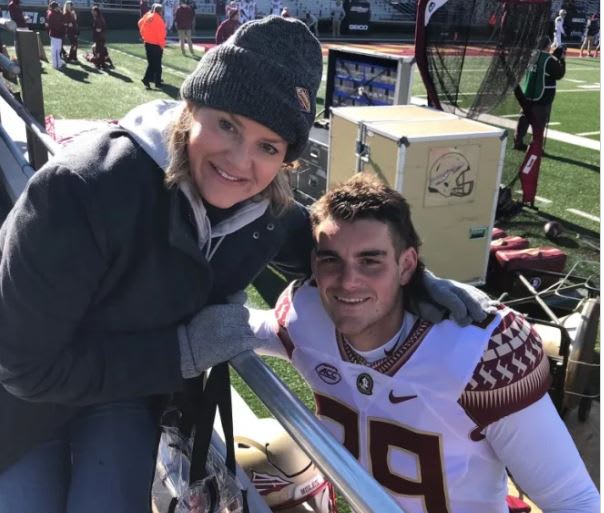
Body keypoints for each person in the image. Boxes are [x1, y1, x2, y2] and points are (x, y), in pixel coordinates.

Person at [0, 14, 486, 513]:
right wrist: (183, 353)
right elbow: (24, 367)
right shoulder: (81, 191)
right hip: (22, 402)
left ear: (286, 161)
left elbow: (329, 255)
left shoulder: (265, 214)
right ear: (192, 108)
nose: (238, 160)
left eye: (267, 146)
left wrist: (418, 286)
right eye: (227, 124)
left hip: (122, 389)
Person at [242, 174, 600, 513]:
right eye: (331, 259)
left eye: (371, 261)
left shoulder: (480, 351)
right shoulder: (305, 315)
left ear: (407, 264)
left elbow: (573, 499)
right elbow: (247, 329)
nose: (348, 281)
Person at [514, 36, 565, 152]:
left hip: (527, 91)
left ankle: (518, 141)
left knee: (524, 118)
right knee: (539, 122)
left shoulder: (531, 55)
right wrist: (561, 59)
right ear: (547, 46)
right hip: (542, 95)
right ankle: (535, 147)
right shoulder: (548, 59)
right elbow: (559, 74)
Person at [139, 3, 166, 88]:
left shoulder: (148, 16)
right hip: (156, 44)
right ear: (160, 11)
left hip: (147, 43)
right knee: (157, 64)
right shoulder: (159, 20)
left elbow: (140, 24)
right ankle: (154, 81)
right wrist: (162, 46)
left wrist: (144, 36)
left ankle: (150, 79)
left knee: (151, 63)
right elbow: (161, 35)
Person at [90, 5, 111, 69]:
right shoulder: (100, 18)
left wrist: (97, 31)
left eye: (93, 11)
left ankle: (99, 64)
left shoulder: (98, 19)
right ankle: (102, 64)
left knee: (98, 51)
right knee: (101, 51)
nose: (92, 12)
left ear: (96, 12)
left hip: (99, 38)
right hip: (102, 37)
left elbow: (98, 29)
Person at [47, 1, 65, 70]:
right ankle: (57, 65)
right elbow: (55, 26)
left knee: (56, 50)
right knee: (56, 51)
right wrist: (62, 26)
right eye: (57, 6)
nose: (59, 7)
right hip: (55, 35)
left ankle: (57, 63)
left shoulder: (56, 13)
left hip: (57, 35)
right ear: (55, 7)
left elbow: (61, 18)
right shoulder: (51, 14)